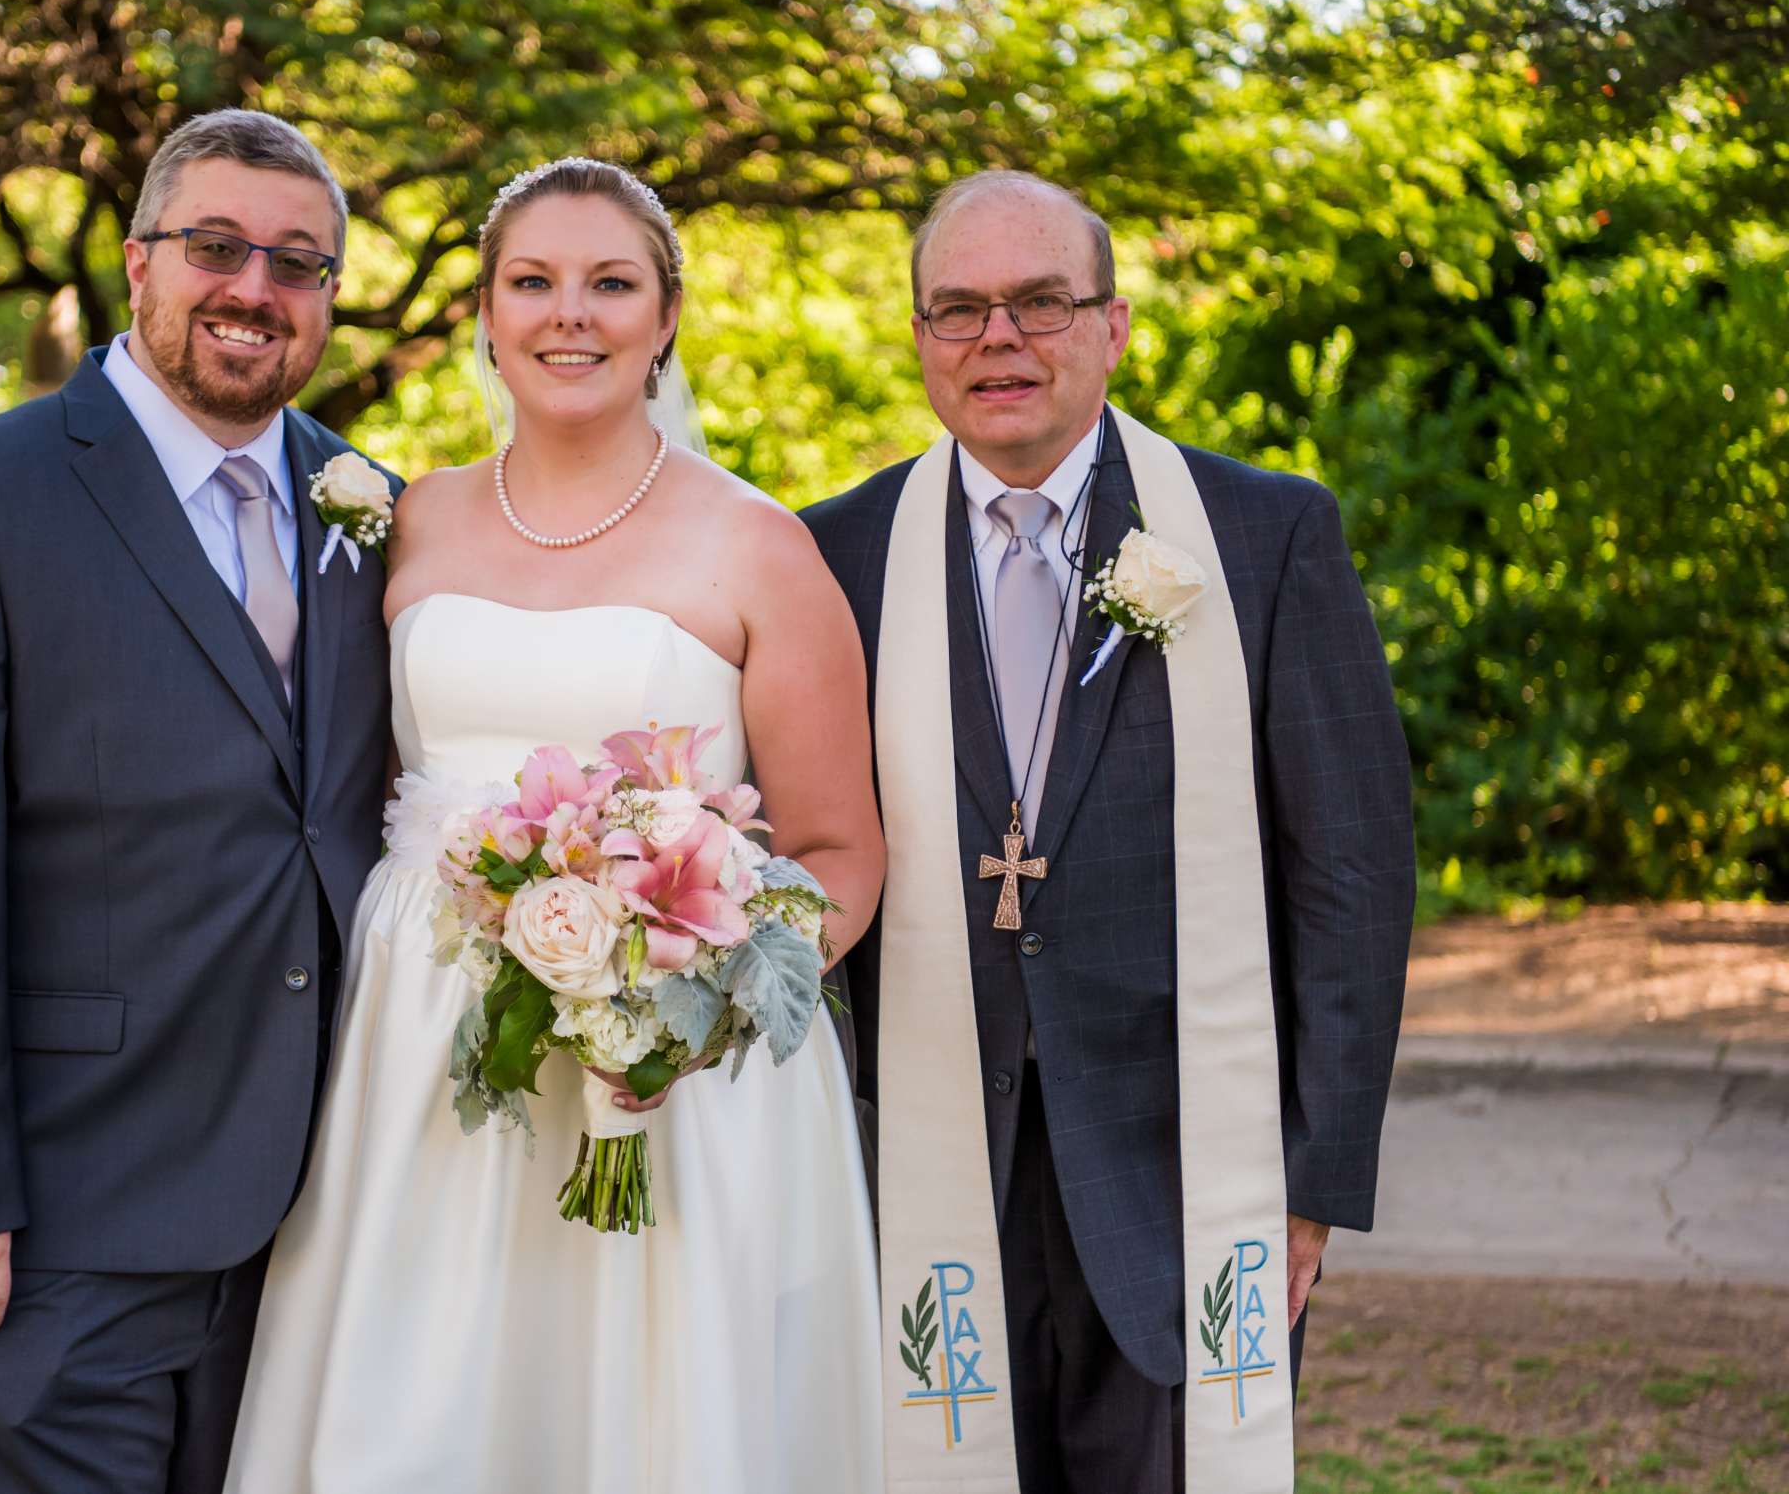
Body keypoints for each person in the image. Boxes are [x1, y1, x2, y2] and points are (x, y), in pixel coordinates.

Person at [222, 157, 889, 1493]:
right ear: (485, 311)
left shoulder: (759, 546)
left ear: (668, 315)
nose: (567, 314)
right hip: (425, 1060)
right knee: (426, 1409)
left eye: (609, 283)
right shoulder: (400, 519)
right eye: (531, 281)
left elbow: (838, 852)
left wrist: (691, 1008)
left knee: (657, 1421)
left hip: (677, 1088)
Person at [803, 171, 1413, 1492]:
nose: (998, 339)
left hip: (1188, 1172)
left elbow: (1352, 869)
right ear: (918, 338)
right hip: (923, 1168)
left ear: (1115, 324)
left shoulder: (1262, 533)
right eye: (957, 309)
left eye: (1038, 303)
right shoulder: (833, 553)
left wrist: (1315, 1178)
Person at [0, 108, 400, 1492]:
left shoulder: (368, 507)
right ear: (139, 264)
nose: (253, 289)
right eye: (216, 247)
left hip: (316, 1229)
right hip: (59, 1227)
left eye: (297, 263)